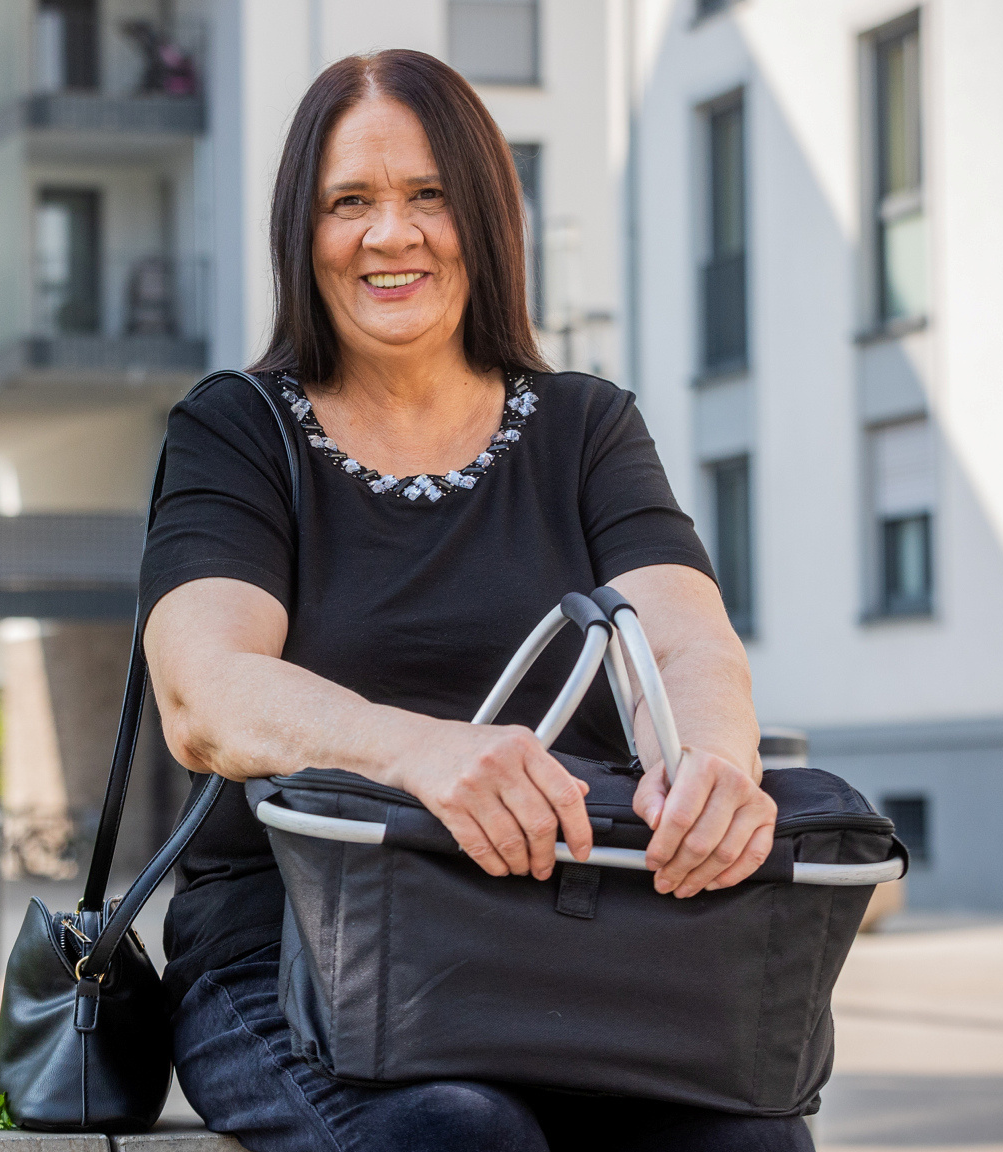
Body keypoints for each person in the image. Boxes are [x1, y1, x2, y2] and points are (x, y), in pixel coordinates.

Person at [140, 50, 804, 1151]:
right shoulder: (237, 429)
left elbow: (686, 647)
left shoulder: (588, 428)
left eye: (428, 197)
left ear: (487, 219)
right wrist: (423, 754)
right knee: (460, 1133)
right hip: (298, 959)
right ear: (303, 235)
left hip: (559, 955)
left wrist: (715, 767)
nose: (389, 235)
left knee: (754, 1140)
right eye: (349, 201)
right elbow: (204, 691)